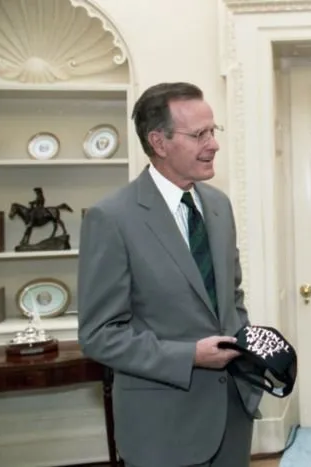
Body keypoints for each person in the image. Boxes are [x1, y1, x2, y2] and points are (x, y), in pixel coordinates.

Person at [77, 82, 263, 467]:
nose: (213, 144)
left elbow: (232, 296)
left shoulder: (218, 205)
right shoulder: (111, 218)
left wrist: (249, 353)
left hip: (232, 416)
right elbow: (99, 336)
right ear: (158, 142)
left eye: (214, 131)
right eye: (199, 135)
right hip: (163, 430)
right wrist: (189, 357)